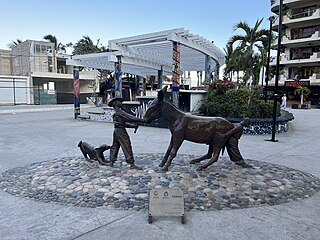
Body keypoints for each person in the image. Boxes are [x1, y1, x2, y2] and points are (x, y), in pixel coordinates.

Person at [108, 97, 146, 170]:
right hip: (121, 132)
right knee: (127, 146)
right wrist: (143, 120)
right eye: (119, 101)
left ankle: (111, 162)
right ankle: (132, 164)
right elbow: (130, 118)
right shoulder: (120, 112)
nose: (121, 103)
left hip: (116, 132)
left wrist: (133, 126)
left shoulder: (116, 114)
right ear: (115, 104)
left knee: (115, 146)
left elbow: (122, 124)